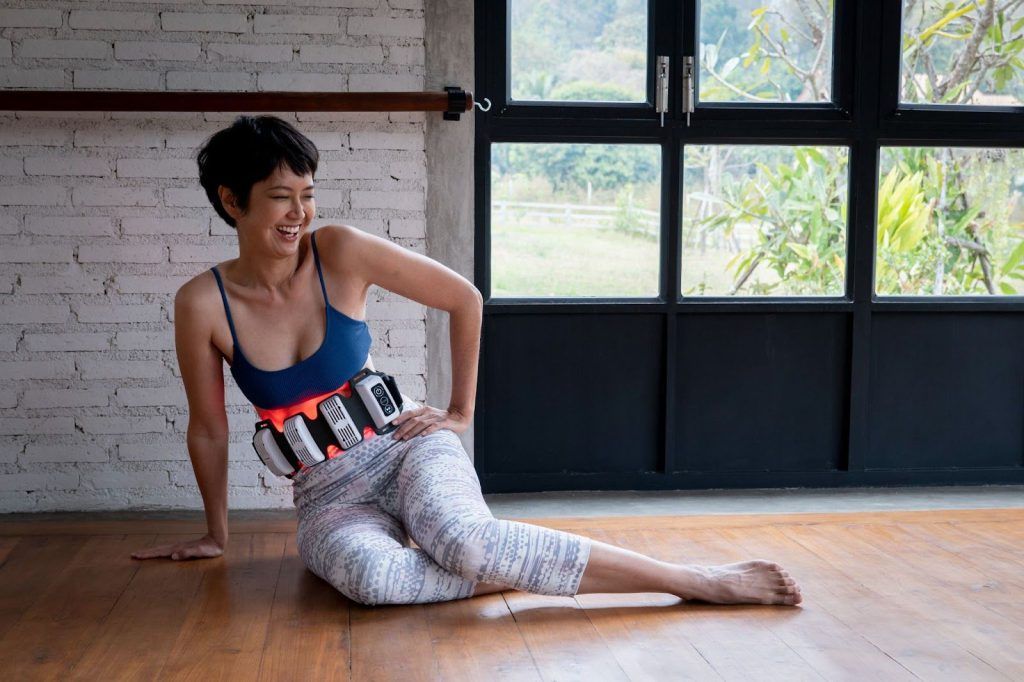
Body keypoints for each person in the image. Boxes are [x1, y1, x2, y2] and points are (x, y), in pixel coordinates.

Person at [131, 115, 802, 607]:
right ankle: (523, 559)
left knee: (465, 543)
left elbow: (464, 298)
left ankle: (694, 580)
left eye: (307, 194)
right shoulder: (202, 304)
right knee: (371, 583)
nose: (300, 213)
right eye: (282, 197)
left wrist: (458, 413)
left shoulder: (339, 250)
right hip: (327, 495)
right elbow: (210, 428)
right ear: (230, 199)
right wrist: (216, 532)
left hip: (406, 448)